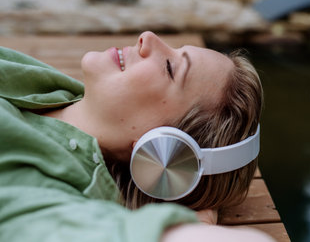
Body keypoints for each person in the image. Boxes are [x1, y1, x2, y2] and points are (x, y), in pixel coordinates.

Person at [0, 31, 273, 242]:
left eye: (170, 68)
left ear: (162, 150)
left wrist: (186, 230)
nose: (148, 37)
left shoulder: (45, 193)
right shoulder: (47, 89)